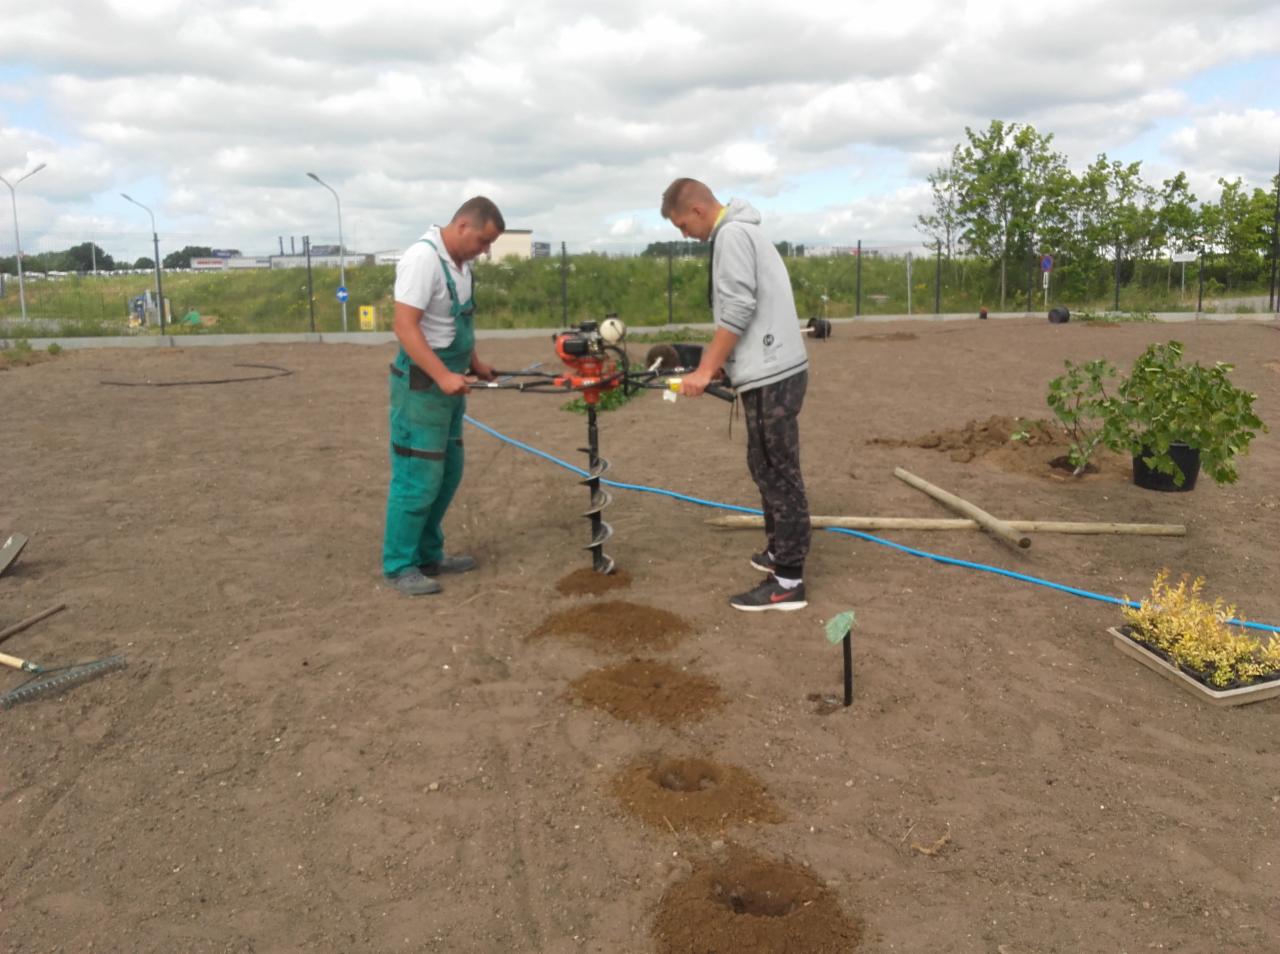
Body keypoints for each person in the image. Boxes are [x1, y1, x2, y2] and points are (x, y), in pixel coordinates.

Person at [660, 178, 811, 612]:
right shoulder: (745, 232)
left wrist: (707, 369)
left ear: (697, 210)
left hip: (772, 373)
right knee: (763, 465)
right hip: (771, 368)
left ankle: (788, 582)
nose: (684, 235)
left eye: (681, 226)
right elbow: (749, 309)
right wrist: (725, 363)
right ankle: (777, 552)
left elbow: (739, 309)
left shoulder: (731, 236)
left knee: (778, 473)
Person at [381, 197, 505, 596]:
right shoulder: (423, 260)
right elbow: (406, 327)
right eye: (483, 241)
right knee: (418, 477)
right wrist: (442, 376)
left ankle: (430, 554)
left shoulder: (462, 266)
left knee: (448, 472)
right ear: (463, 225)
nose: (484, 251)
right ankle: (400, 564)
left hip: (449, 385)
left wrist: (475, 361)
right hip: (421, 387)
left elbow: (456, 320)